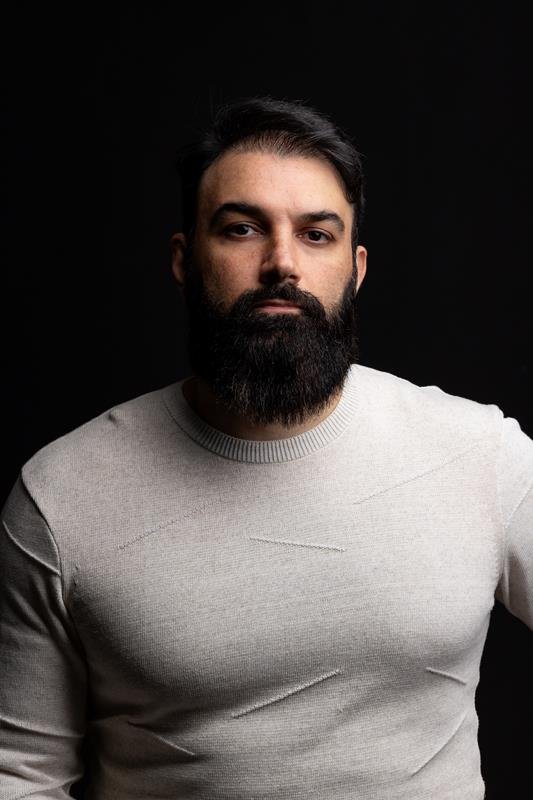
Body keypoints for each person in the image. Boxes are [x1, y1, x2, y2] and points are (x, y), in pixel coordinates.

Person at [1, 95, 532, 800]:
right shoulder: (62, 495)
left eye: (316, 234)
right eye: (242, 229)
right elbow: (20, 775)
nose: (281, 262)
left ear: (356, 268)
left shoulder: (478, 453)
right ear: (185, 260)